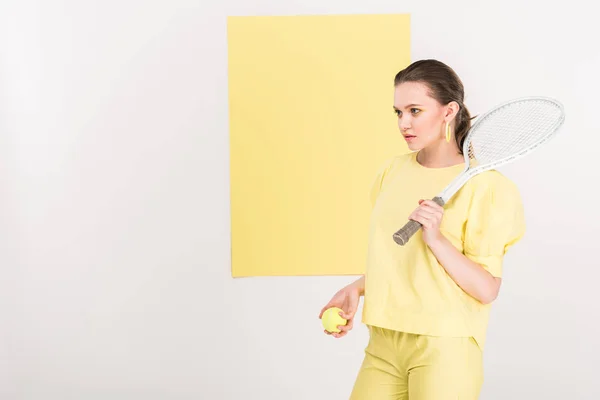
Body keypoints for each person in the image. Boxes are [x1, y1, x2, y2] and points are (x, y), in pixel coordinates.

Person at [318, 59, 526, 399]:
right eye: (398, 112)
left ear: (448, 111)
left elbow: (487, 289)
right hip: (384, 342)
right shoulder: (391, 172)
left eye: (415, 110)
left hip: (445, 345)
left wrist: (436, 238)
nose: (404, 123)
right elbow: (406, 262)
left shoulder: (487, 188)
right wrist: (357, 288)